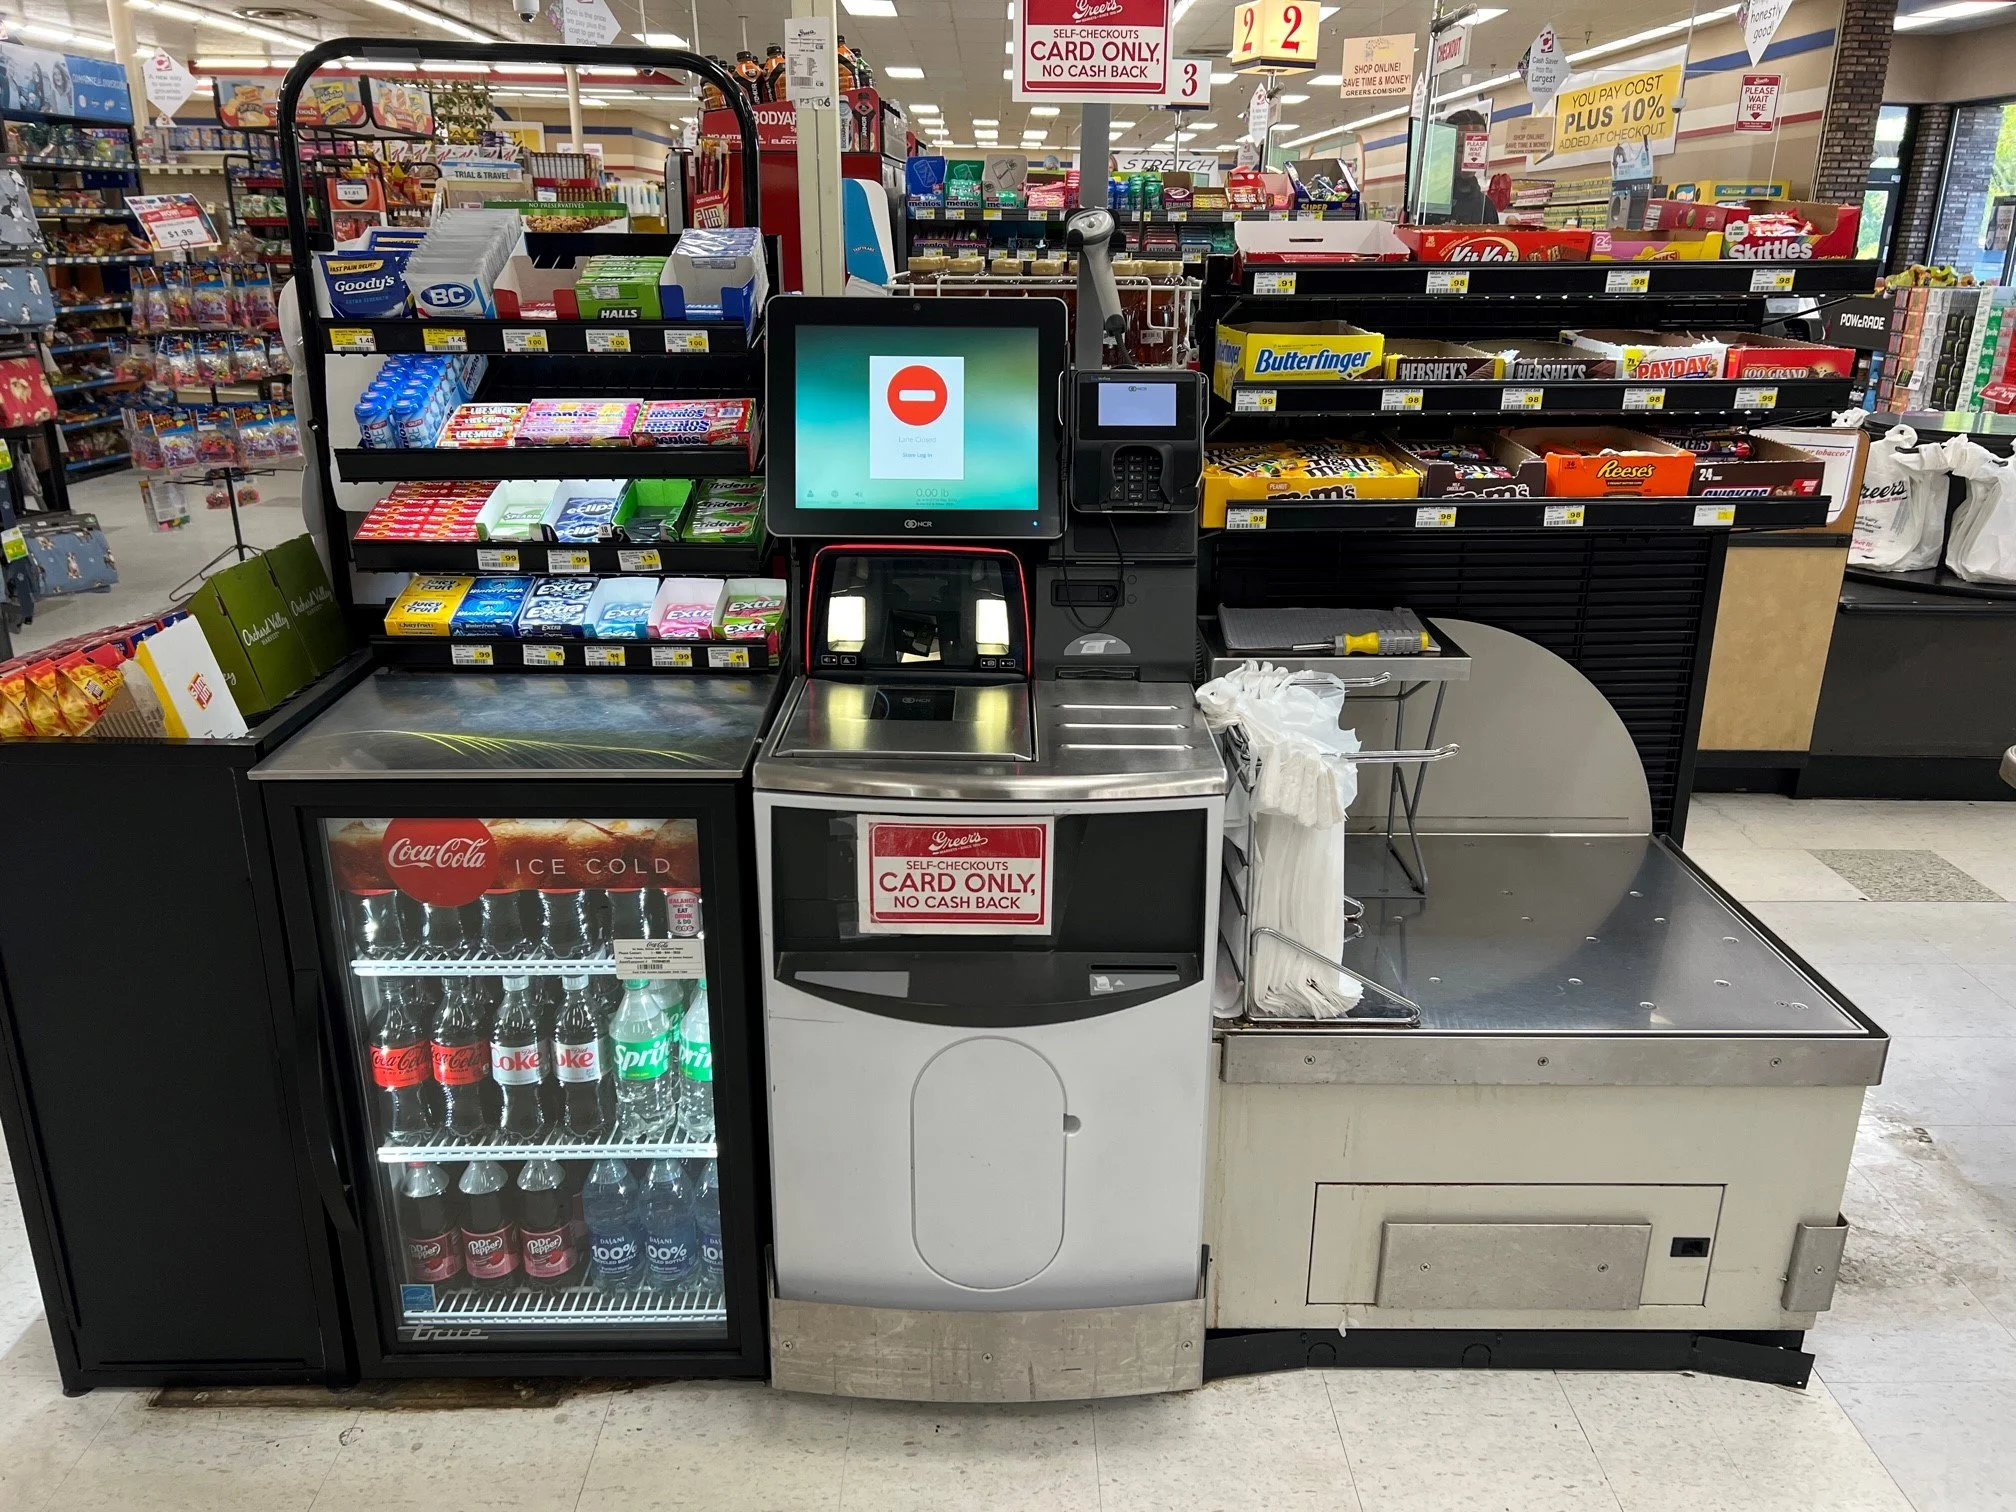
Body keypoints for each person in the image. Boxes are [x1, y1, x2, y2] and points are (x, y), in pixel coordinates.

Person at [1443, 109, 1499, 225]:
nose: (1468, 157)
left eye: (1476, 149)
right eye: (1460, 149)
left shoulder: (1486, 207)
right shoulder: (1428, 203)